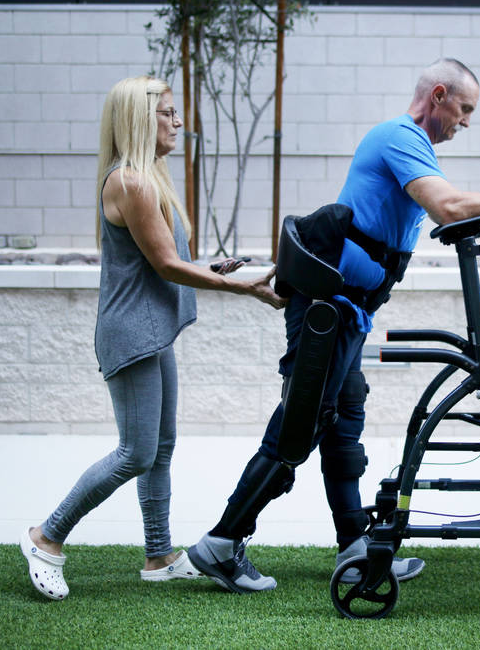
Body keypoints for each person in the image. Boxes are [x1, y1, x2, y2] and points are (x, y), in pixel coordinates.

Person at [186, 58, 480, 593]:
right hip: (329, 309)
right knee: (302, 425)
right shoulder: (399, 136)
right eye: (464, 109)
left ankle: (356, 546)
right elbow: (449, 207)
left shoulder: (414, 146)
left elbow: (447, 210)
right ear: (438, 95)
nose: (466, 122)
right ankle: (222, 543)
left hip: (348, 308)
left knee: (344, 425)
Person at [19, 75, 285, 601]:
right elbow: (166, 266)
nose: (177, 121)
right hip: (132, 333)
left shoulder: (149, 178)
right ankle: (46, 537)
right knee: (135, 452)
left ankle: (159, 555)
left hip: (150, 328)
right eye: (167, 113)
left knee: (160, 448)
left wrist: (212, 267)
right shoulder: (131, 182)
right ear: (141, 120)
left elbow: (165, 258)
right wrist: (240, 287)